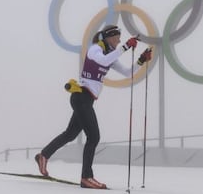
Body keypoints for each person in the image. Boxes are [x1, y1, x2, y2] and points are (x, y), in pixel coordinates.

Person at [34, 25, 152, 189]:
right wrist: (125, 46)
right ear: (108, 37)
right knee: (94, 137)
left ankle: (43, 155)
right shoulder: (95, 49)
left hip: (86, 100)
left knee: (70, 134)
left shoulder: (110, 55)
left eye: (120, 38)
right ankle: (86, 177)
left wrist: (141, 60)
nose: (119, 40)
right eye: (117, 37)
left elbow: (127, 73)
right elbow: (103, 61)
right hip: (81, 97)